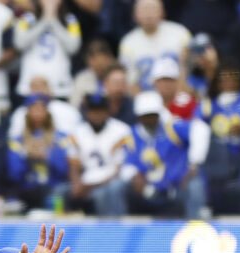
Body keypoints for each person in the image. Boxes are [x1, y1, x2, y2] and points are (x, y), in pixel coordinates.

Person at [121, 90, 208, 218]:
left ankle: (196, 228)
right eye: (146, 116)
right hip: (148, 190)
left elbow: (201, 129)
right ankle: (116, 231)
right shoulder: (132, 136)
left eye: (153, 115)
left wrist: (194, 163)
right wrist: (136, 178)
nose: (150, 119)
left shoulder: (171, 128)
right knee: (118, 187)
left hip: (177, 187)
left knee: (195, 185)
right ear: (138, 116)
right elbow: (127, 166)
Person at [70, 92, 133, 217]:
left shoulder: (121, 130)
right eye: (93, 111)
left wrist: (92, 186)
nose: (97, 115)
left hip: (112, 180)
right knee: (60, 192)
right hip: (86, 180)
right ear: (87, 112)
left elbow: (120, 169)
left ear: (107, 112)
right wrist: (76, 184)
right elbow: (73, 163)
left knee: (106, 193)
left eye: (100, 111)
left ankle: (113, 232)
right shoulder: (78, 132)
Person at [8, 94, 73, 211]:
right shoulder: (17, 141)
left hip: (54, 187)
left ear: (47, 112)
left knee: (59, 191)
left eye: (41, 109)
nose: (38, 113)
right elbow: (14, 174)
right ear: (27, 114)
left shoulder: (61, 139)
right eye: (34, 109)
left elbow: (65, 171)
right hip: (27, 190)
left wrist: (47, 156)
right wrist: (27, 157)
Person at [13, 0, 82, 100]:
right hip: (29, 86)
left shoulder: (70, 20)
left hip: (60, 88)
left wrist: (53, 20)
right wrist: (45, 19)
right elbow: (20, 44)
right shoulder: (26, 19)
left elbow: (73, 47)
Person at [119, 0, 190, 90]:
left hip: (179, 92)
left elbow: (190, 71)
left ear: (163, 12)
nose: (149, 14)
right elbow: (130, 82)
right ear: (135, 15)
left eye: (153, 9)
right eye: (145, 9)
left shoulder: (181, 34)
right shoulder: (127, 43)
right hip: (146, 97)